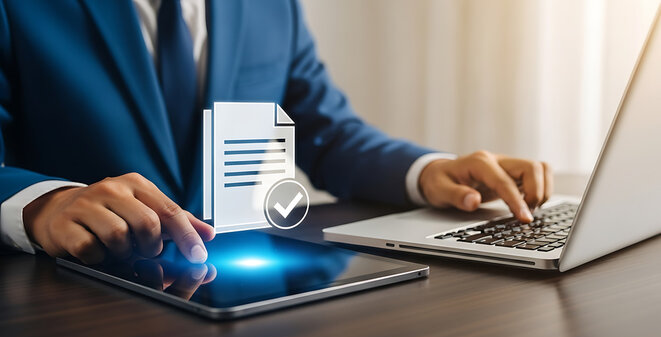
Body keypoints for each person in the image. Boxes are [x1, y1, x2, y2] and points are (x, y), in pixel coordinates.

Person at [0, 0, 552, 265]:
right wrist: (41, 204)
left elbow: (328, 132)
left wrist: (429, 171)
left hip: (231, 303)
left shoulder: (271, 7)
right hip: (75, 302)